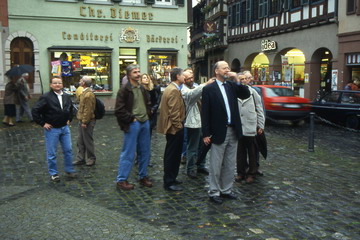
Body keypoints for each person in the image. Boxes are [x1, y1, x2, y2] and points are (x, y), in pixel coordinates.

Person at [202, 61, 250, 204]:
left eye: (228, 68)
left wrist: (236, 79)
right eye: (224, 68)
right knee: (216, 164)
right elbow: (205, 112)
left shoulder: (231, 86)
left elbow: (245, 94)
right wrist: (205, 133)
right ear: (216, 71)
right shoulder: (209, 89)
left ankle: (226, 190)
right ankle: (214, 192)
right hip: (218, 131)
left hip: (233, 129)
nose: (227, 70)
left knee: (230, 164)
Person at [114, 64, 153, 190]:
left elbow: (147, 103)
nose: (138, 74)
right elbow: (119, 110)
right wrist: (131, 119)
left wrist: (148, 113)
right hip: (133, 123)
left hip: (144, 122)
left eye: (139, 71)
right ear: (129, 75)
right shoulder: (124, 90)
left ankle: (143, 176)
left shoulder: (141, 88)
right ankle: (122, 180)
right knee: (128, 152)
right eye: (135, 72)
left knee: (145, 151)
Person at [31, 76, 76, 182]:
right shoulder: (46, 97)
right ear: (51, 85)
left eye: (59, 83)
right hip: (52, 129)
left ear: (62, 84)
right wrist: (42, 123)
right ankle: (54, 173)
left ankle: (69, 170)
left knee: (68, 150)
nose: (57, 85)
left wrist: (69, 119)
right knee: (52, 153)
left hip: (65, 128)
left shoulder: (66, 96)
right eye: (55, 83)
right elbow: (35, 110)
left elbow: (70, 108)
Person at [157, 67, 186, 191]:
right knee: (172, 155)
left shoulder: (171, 88)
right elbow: (173, 112)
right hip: (174, 128)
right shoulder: (173, 90)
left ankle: (172, 178)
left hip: (173, 127)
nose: (184, 77)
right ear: (177, 77)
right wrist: (179, 126)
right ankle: (169, 182)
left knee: (173, 154)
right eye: (183, 75)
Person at [181, 70, 213, 178]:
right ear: (183, 79)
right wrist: (206, 84)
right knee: (192, 147)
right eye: (188, 78)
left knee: (203, 145)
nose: (191, 79)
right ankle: (190, 168)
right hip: (193, 122)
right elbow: (191, 95)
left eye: (191, 77)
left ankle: (201, 165)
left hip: (202, 120)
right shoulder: (183, 89)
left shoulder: (195, 86)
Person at [235, 72, 265, 184]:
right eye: (240, 79)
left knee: (252, 152)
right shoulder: (235, 92)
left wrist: (261, 125)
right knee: (240, 152)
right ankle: (240, 172)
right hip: (239, 127)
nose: (243, 80)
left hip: (251, 126)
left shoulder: (253, 92)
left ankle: (252, 173)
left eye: (244, 79)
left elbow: (259, 108)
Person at [73, 76, 97, 167]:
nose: (79, 81)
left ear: (84, 83)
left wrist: (84, 122)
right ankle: (80, 158)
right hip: (82, 119)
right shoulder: (84, 92)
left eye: (81, 80)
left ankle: (91, 158)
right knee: (80, 140)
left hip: (87, 121)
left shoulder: (88, 94)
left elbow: (88, 110)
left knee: (87, 140)